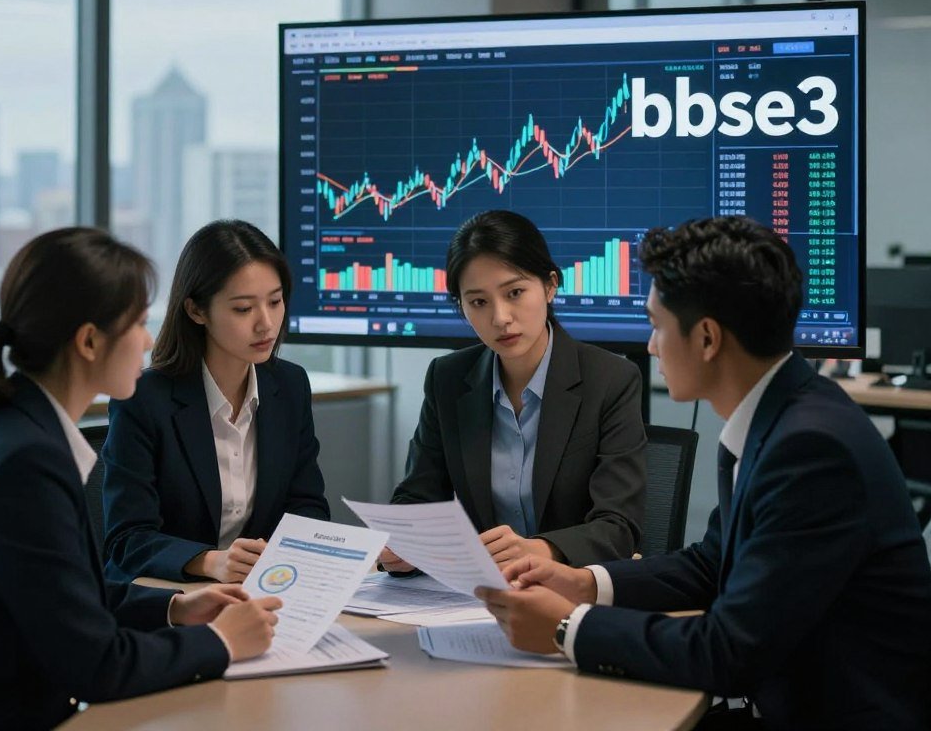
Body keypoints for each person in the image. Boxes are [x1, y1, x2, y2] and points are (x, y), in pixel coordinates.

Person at [478, 216, 931, 731]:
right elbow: (712, 564)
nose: (651, 346)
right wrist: (584, 584)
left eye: (657, 324)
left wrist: (566, 628)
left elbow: (729, 652)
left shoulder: (810, 448)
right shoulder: (784, 415)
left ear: (708, 338)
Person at [0, 228, 282, 731]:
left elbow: (68, 598)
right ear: (88, 341)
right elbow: (96, 666)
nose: (149, 341)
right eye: (136, 324)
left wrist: (176, 607)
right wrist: (222, 642)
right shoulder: (26, 462)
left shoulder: (14, 426)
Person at [383, 210, 646, 573]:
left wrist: (542, 550)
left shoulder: (611, 379)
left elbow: (618, 527)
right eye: (478, 302)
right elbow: (418, 495)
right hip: (480, 594)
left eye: (515, 292)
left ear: (550, 285)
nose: (500, 317)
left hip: (571, 589)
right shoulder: (448, 378)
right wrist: (404, 544)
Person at [103, 219, 329, 584]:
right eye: (243, 309)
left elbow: (308, 505)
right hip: (172, 597)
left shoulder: (289, 385)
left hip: (264, 591)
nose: (266, 324)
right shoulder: (144, 399)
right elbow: (127, 539)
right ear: (196, 311)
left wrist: (278, 557)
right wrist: (209, 562)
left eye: (275, 301)